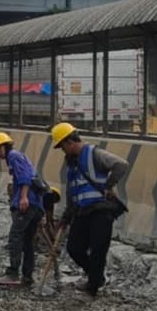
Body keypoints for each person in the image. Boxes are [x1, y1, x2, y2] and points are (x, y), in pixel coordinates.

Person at [52, 122, 129, 296]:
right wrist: (65, 218)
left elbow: (121, 165)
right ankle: (96, 275)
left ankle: (93, 285)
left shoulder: (94, 154)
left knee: (98, 250)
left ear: (69, 142)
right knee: (74, 248)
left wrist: (109, 185)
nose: (62, 151)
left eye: (62, 147)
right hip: (82, 212)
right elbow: (72, 193)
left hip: (101, 211)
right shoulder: (71, 164)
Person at [0, 131, 43, 288]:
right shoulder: (18, 156)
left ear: (4, 146)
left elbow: (26, 176)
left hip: (28, 202)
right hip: (36, 205)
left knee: (15, 236)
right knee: (27, 241)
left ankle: (13, 273)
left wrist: (23, 197)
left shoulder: (13, 156)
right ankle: (27, 277)